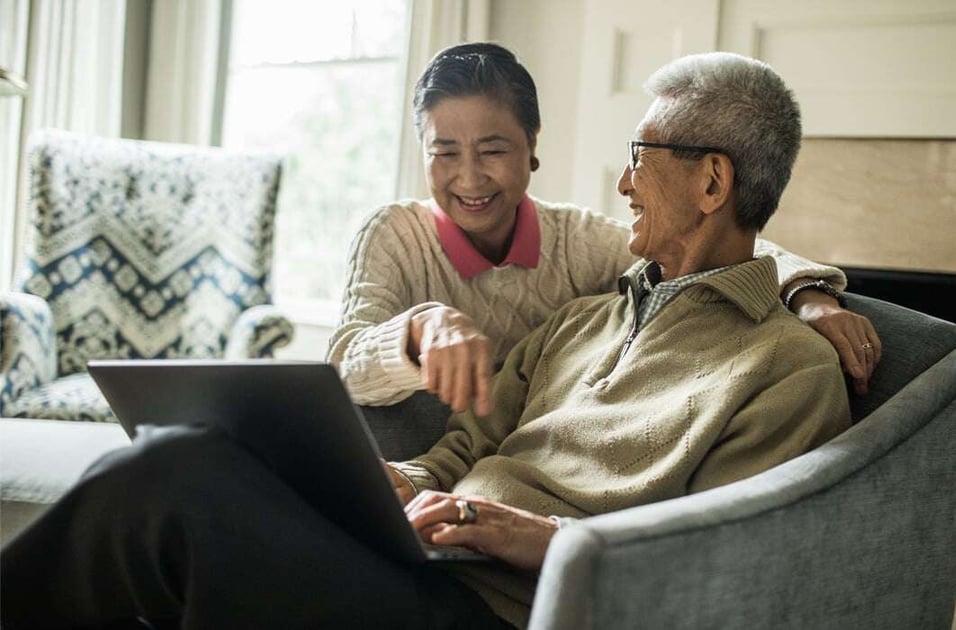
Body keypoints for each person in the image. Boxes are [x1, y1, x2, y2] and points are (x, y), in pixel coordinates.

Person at [1, 51, 851, 629]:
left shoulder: (786, 369)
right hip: (418, 551)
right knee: (184, 457)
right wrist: (389, 479)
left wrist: (531, 535)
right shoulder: (587, 316)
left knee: (173, 494)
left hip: (493, 606)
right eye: (447, 150)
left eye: (643, 154)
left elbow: (731, 566)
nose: (625, 179)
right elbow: (462, 448)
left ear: (711, 181)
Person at [327, 43, 882, 421]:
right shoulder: (395, 233)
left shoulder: (575, 241)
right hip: (431, 459)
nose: (469, 177)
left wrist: (808, 295)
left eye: (493, 150)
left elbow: (709, 241)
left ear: (532, 144)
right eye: (443, 153)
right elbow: (342, 368)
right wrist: (419, 328)